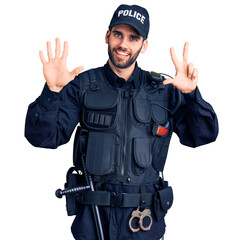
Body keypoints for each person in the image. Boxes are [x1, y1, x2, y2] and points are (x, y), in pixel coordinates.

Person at [25, 4, 218, 240]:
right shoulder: (82, 84)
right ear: (107, 35)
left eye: (133, 38)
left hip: (144, 223)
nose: (123, 44)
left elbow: (202, 135)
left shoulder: (163, 90)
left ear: (143, 45)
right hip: (93, 221)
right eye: (118, 34)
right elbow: (43, 137)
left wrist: (191, 95)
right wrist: (52, 92)